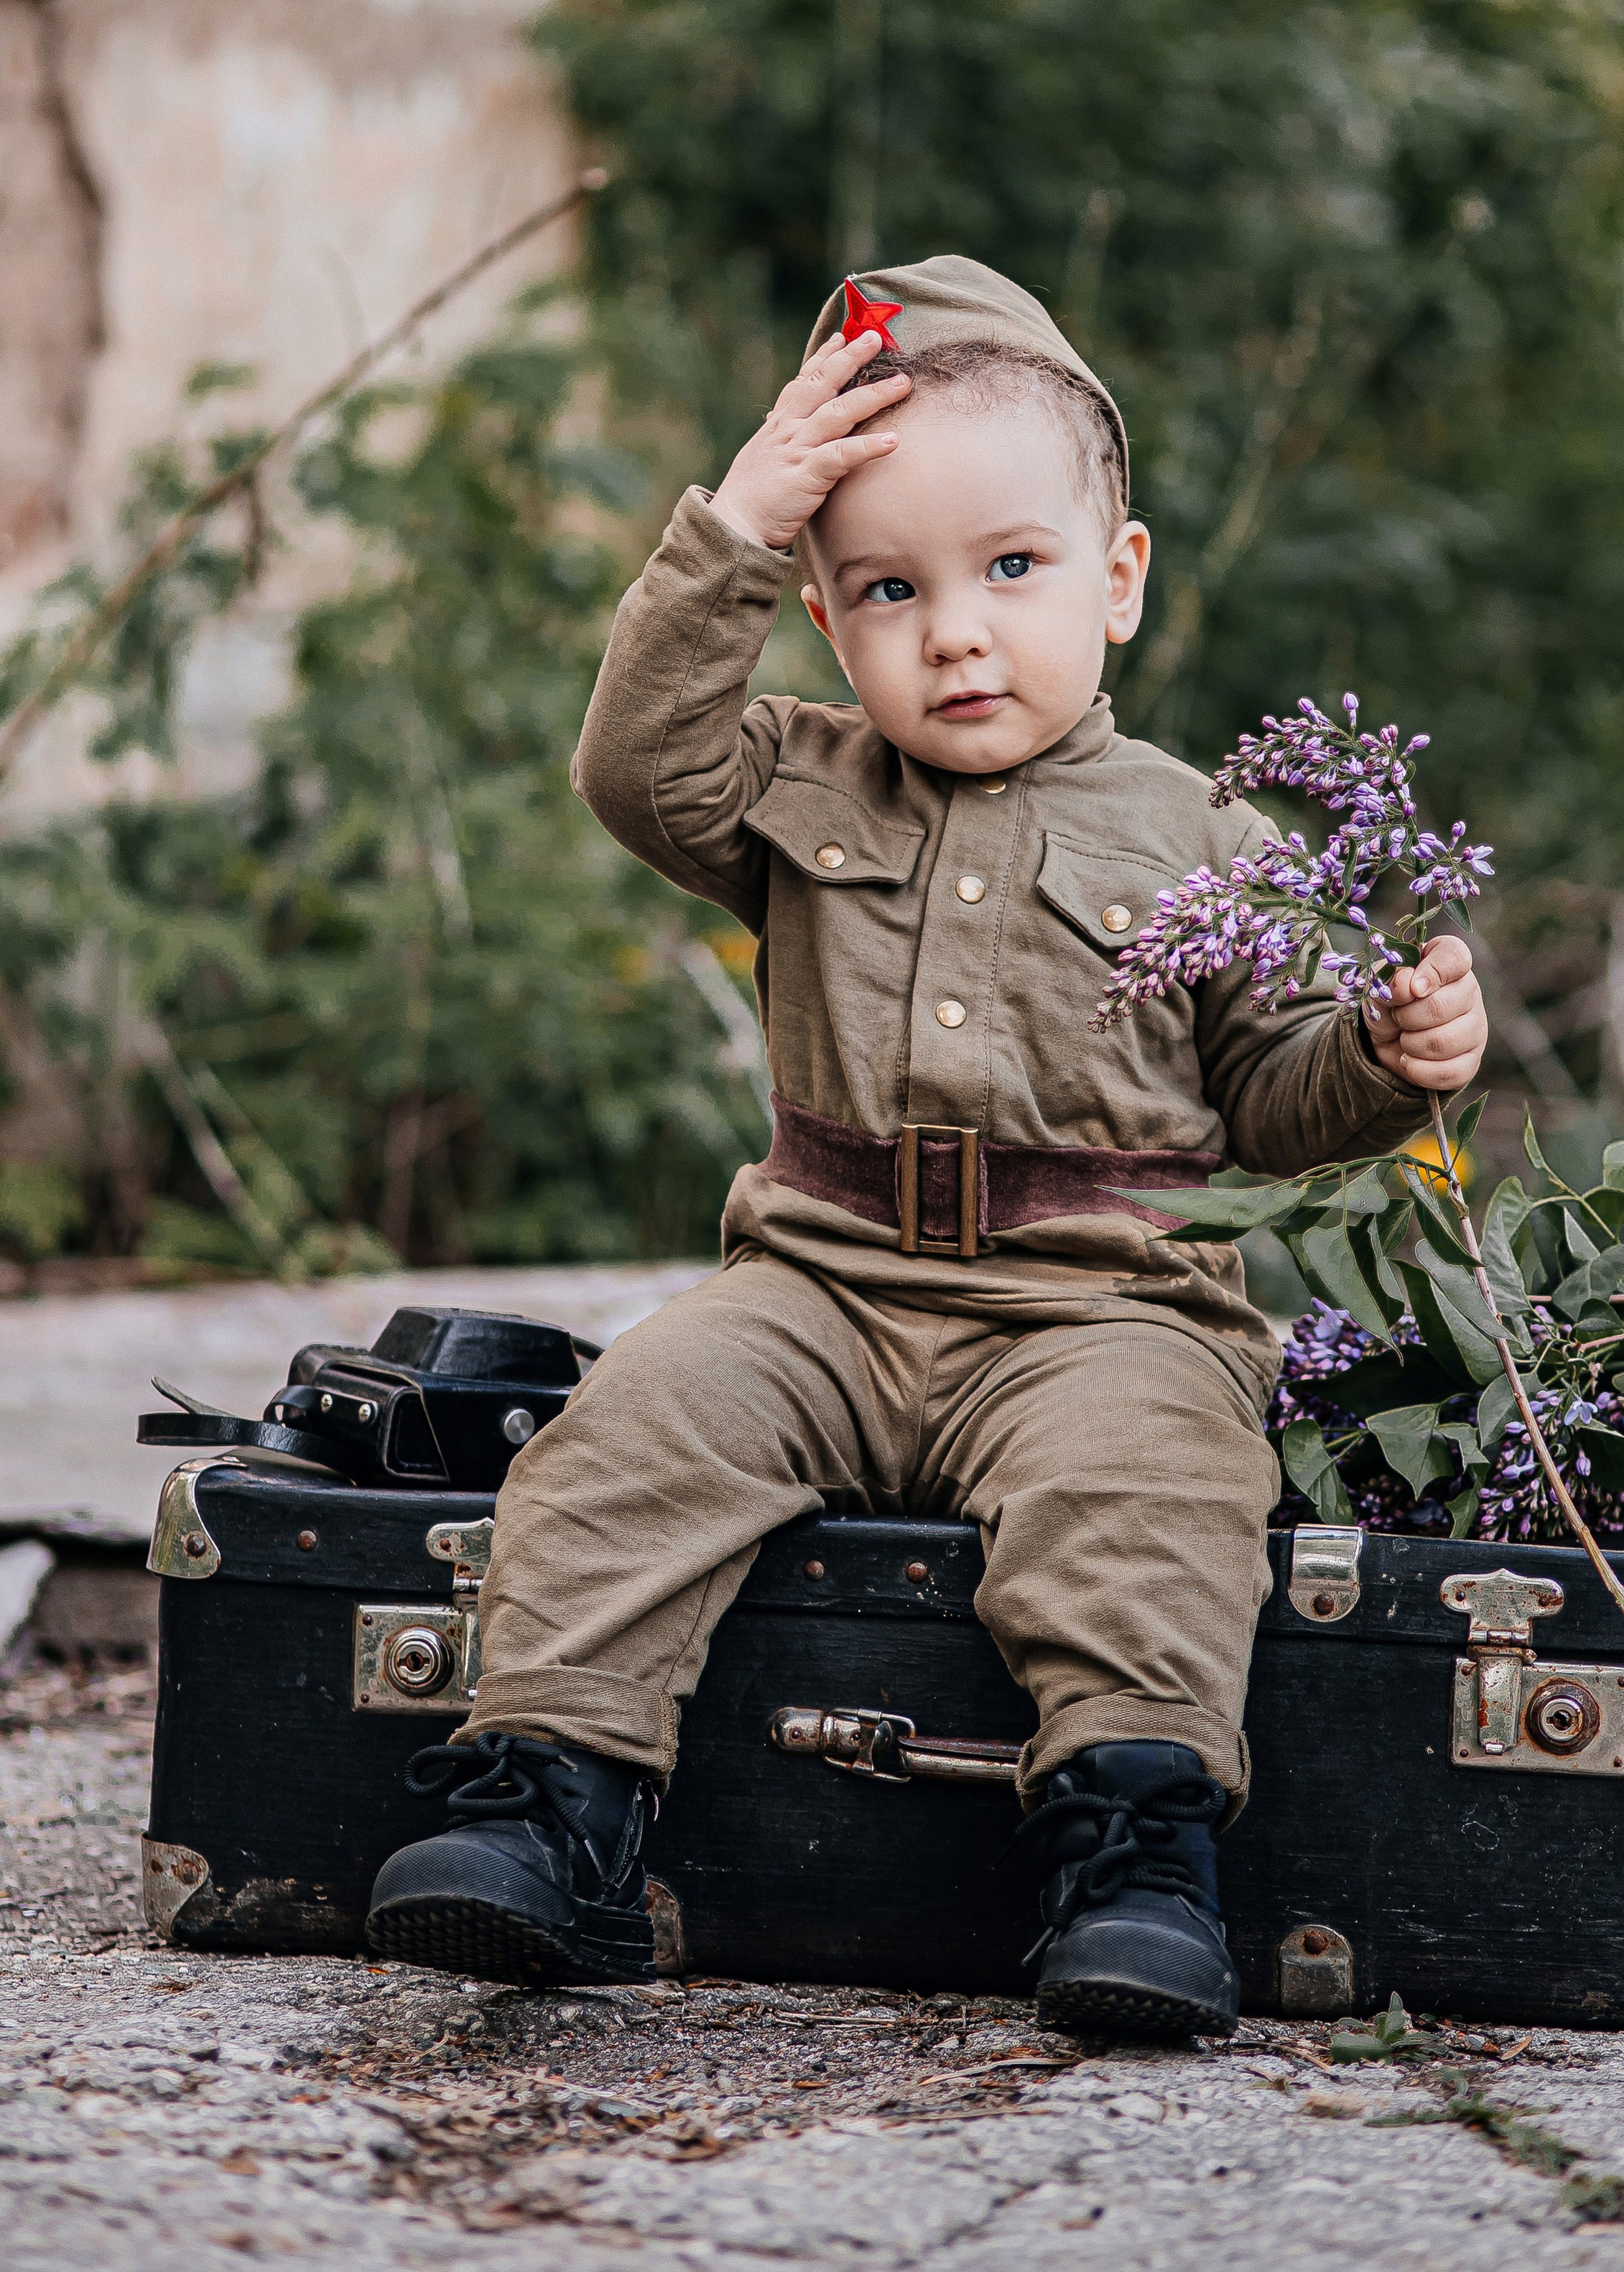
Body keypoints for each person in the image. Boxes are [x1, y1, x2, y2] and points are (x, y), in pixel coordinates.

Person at [366, 256, 1488, 2035]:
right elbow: (627, 770)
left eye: (1011, 570)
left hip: (1100, 1309)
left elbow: (1267, 1096)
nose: (954, 631)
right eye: (886, 589)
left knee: (1142, 1501)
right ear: (822, 617)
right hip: (817, 1288)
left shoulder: (1193, 822)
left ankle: (1132, 1860)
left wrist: (1380, 1052)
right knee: (634, 1434)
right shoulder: (795, 783)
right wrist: (734, 526)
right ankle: (548, 1813)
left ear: (1117, 583)